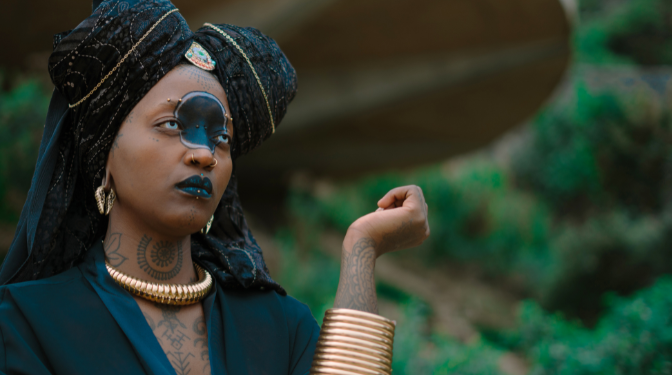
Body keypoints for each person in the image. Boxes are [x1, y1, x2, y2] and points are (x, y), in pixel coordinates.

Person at [0, 0, 430, 374]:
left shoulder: (279, 327)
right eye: (173, 124)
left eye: (220, 137)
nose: (204, 154)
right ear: (103, 157)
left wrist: (362, 249)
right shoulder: (28, 323)